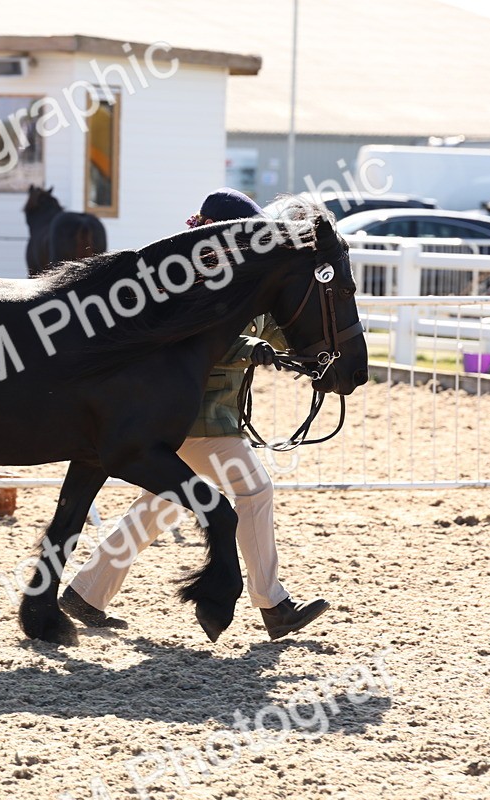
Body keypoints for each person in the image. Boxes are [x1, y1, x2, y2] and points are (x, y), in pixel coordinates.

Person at [58, 188, 330, 641]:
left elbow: (272, 330)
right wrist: (252, 350)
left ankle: (87, 593)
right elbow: (197, 339)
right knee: (255, 491)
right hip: (195, 416)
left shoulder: (237, 277)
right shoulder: (190, 279)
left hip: (206, 417)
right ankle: (273, 603)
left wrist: (312, 350)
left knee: (158, 506)